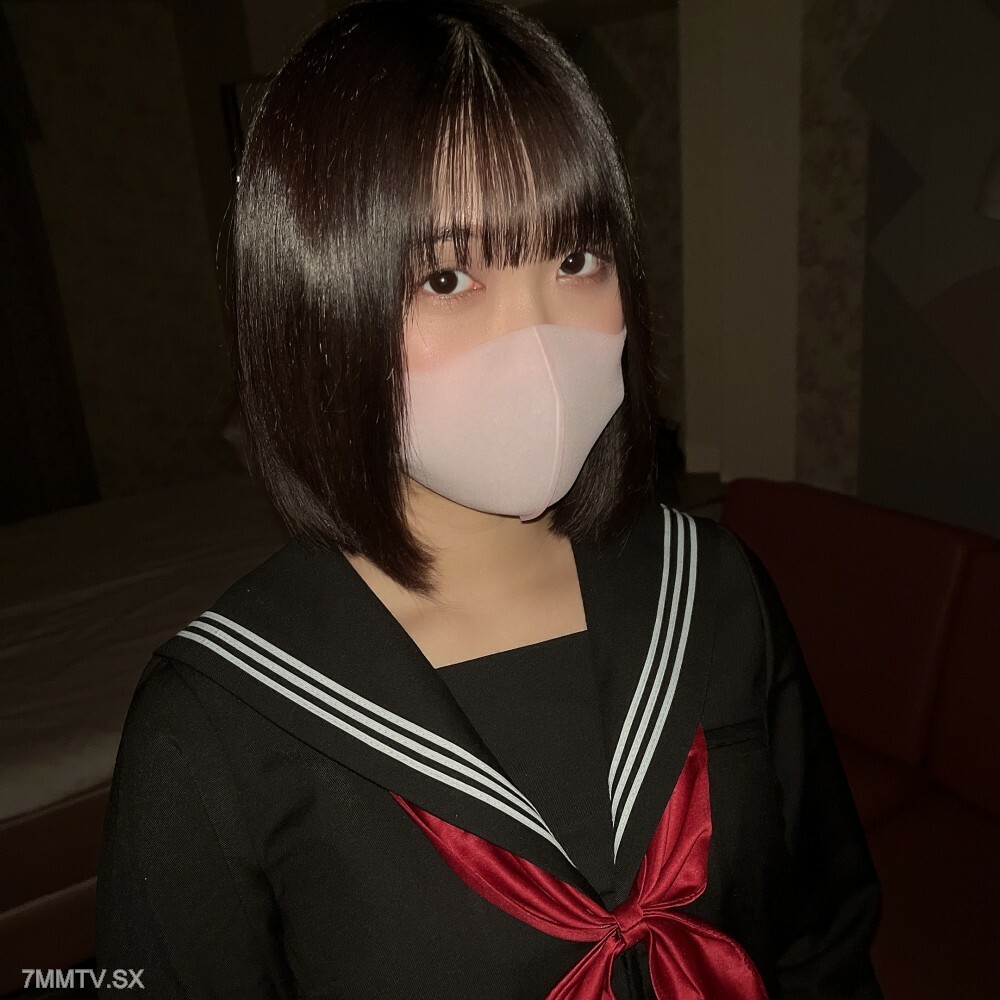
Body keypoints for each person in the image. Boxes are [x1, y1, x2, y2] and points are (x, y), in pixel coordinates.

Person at [95, 2, 884, 997]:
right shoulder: (214, 725)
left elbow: (824, 938)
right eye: (447, 275)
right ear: (317, 310)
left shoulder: (715, 587)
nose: (539, 340)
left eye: (575, 259)